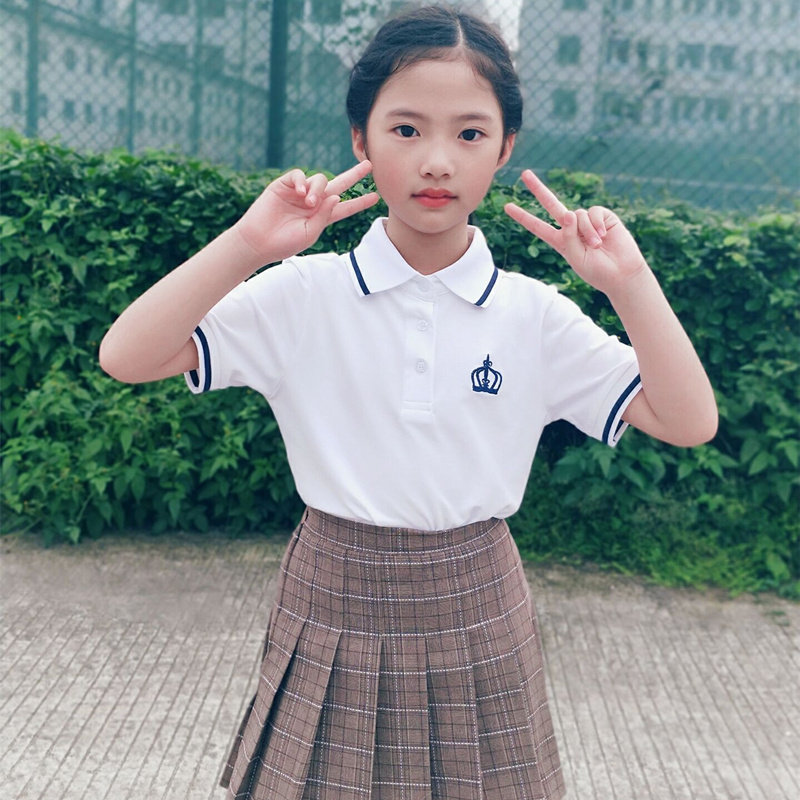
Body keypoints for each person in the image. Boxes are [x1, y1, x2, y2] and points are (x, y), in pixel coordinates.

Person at [100, 6, 717, 799]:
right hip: (332, 594)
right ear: (360, 139)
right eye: (405, 129)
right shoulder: (304, 294)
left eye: (469, 133)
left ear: (505, 148)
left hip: (478, 602)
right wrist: (249, 245)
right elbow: (127, 355)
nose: (436, 161)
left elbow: (688, 420)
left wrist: (629, 285)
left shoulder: (533, 315)